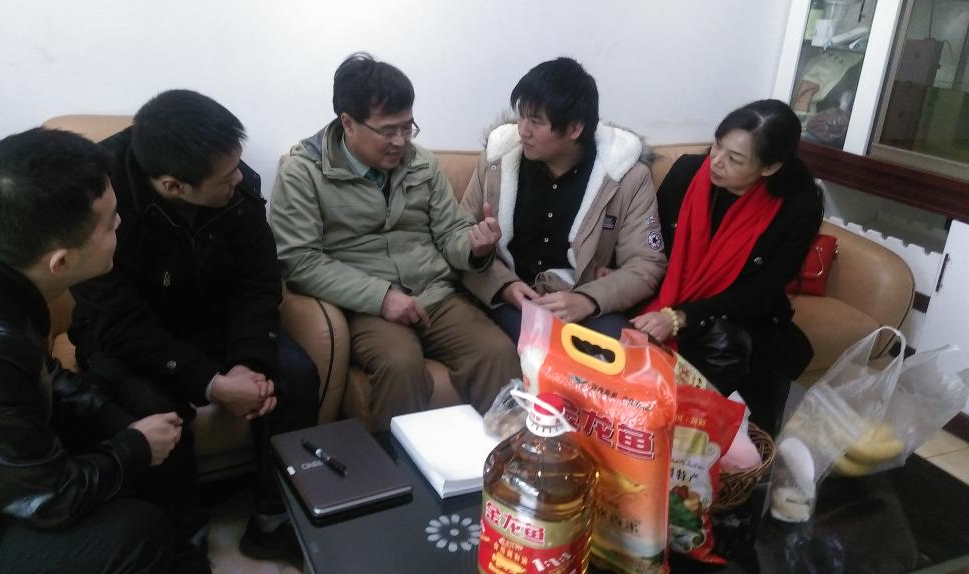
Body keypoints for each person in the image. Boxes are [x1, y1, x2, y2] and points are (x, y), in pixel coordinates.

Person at [67, 90, 319, 567]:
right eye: (228, 176)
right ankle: (184, 536)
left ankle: (274, 518)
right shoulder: (96, 200)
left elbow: (257, 282)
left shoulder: (237, 185)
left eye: (237, 166)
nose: (240, 178)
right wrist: (211, 383)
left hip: (212, 318)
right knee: (152, 403)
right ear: (173, 185)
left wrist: (248, 363)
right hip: (125, 335)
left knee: (296, 375)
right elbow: (117, 319)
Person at [0, 128, 181, 573]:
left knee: (130, 415)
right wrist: (135, 446)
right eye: (110, 223)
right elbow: (48, 499)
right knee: (137, 533)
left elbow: (36, 373)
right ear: (62, 262)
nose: (120, 224)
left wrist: (115, 420)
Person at [271, 52, 522, 431]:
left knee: (497, 351)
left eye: (408, 128)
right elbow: (300, 262)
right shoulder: (303, 173)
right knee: (400, 364)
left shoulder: (422, 163)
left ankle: (505, 457)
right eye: (388, 131)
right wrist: (381, 297)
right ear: (348, 123)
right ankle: (397, 468)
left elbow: (450, 231)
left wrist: (475, 247)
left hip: (435, 295)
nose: (400, 141)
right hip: (364, 306)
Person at [631, 99, 823, 433]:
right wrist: (626, 271)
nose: (716, 161)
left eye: (734, 159)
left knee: (728, 345)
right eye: (718, 144)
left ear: (769, 167)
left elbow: (762, 292)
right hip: (666, 291)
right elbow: (650, 241)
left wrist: (681, 316)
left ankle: (692, 434)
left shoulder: (797, 206)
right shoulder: (688, 171)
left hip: (739, 312)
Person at [461, 57, 666, 342]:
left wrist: (588, 299)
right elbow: (456, 234)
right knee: (531, 349)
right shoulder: (497, 160)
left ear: (574, 129)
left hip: (581, 301)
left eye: (535, 122)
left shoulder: (625, 175)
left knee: (625, 353)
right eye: (521, 116)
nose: (522, 130)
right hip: (509, 298)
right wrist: (503, 284)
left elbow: (645, 263)